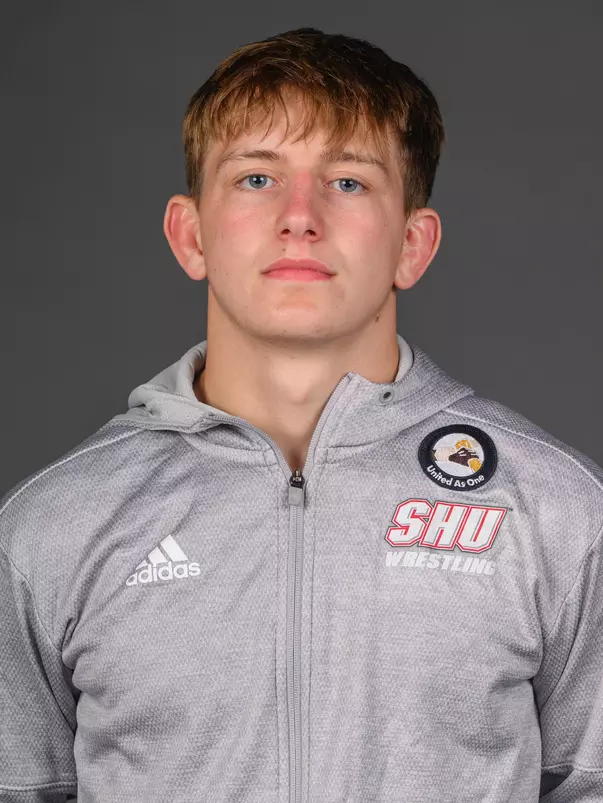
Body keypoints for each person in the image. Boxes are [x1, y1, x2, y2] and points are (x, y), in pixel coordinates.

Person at [1, 26, 602, 803]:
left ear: (412, 245)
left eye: (347, 182)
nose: (299, 217)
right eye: (255, 178)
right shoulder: (54, 525)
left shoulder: (554, 508)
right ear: (190, 235)